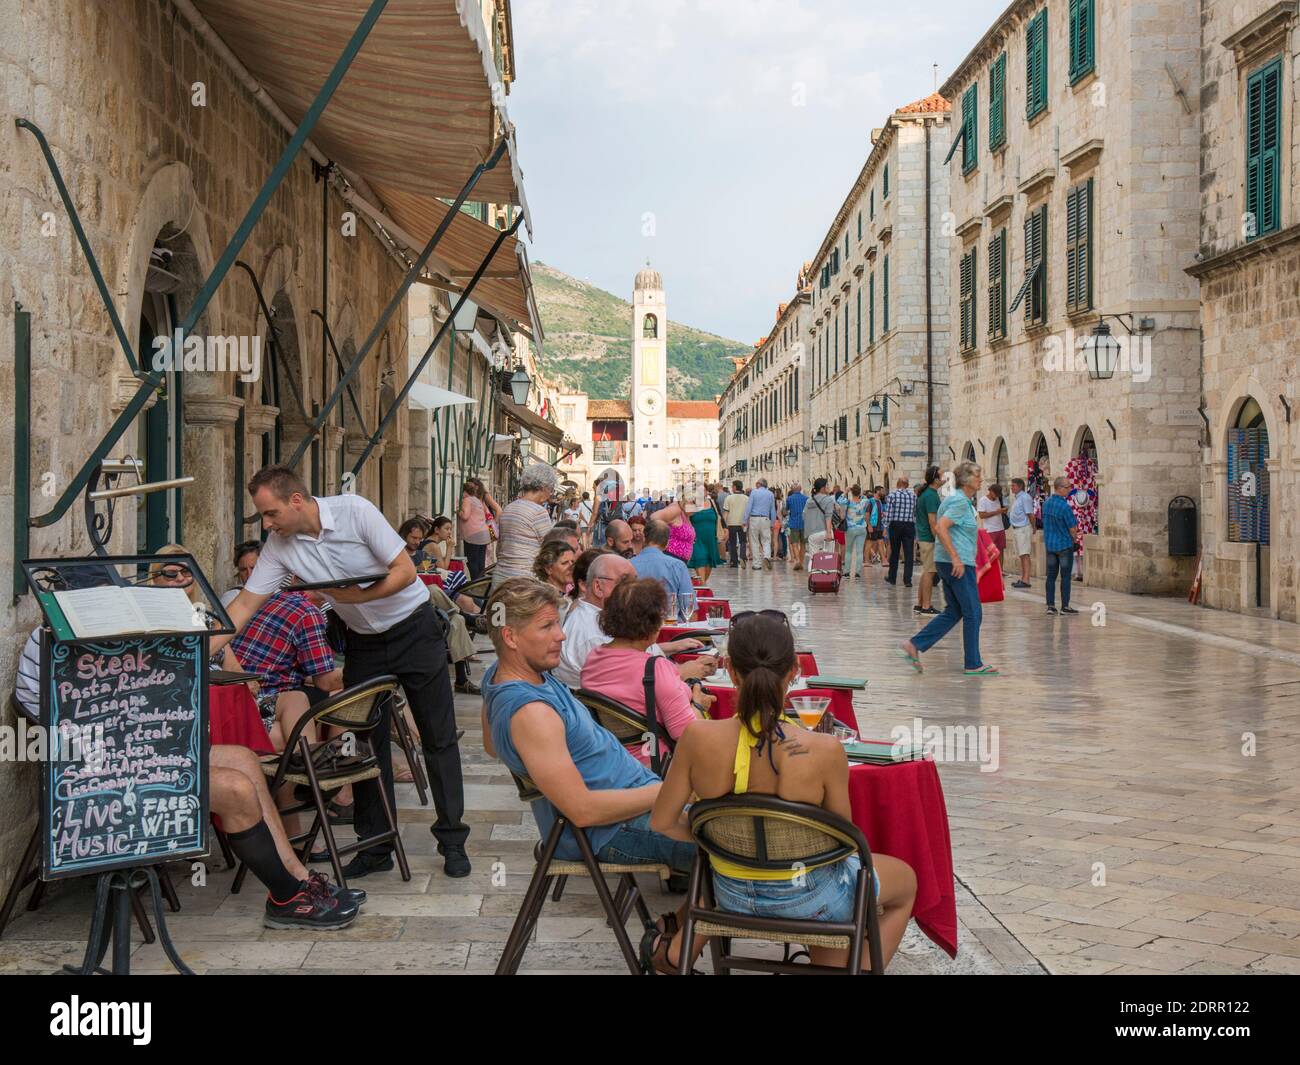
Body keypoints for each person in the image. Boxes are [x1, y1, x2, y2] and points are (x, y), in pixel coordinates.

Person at [13, 625, 362, 929]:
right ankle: (286, 899)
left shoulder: (90, 641)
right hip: (93, 773)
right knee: (236, 789)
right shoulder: (61, 646)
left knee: (242, 758)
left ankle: (299, 880)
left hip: (128, 752)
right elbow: (81, 730)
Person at [215, 464, 470, 879]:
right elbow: (244, 605)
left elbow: (405, 572)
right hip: (364, 642)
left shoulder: (355, 511)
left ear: (296, 501)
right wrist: (195, 646)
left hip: (414, 628)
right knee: (367, 742)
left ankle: (453, 840)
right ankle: (376, 846)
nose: (267, 523)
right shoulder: (279, 546)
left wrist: (350, 594)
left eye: (270, 513)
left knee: (437, 737)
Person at [649, 613, 917, 972]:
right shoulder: (825, 749)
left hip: (728, 894)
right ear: (794, 671)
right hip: (810, 897)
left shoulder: (698, 738)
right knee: (907, 881)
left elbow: (662, 821)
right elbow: (843, 840)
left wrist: (713, 838)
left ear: (730, 671)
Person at [480, 578, 702, 972]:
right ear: (511, 636)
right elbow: (582, 810)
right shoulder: (531, 713)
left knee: (739, 827)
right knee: (738, 845)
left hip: (627, 810)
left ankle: (676, 928)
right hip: (607, 831)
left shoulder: (504, 675)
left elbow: (492, 746)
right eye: (547, 626)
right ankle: (672, 952)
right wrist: (670, 792)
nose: (561, 635)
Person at [580, 578, 715, 767]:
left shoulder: (594, 658)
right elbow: (685, 732)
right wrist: (699, 705)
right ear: (652, 625)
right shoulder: (655, 668)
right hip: (654, 762)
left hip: (611, 757)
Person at [898, 461, 998, 676]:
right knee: (973, 612)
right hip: (957, 563)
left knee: (955, 611)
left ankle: (914, 645)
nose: (981, 480)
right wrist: (956, 558)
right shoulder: (960, 502)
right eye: (978, 476)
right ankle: (973, 663)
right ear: (967, 481)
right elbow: (940, 527)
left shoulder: (953, 499)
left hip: (947, 561)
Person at [555, 552, 710, 686]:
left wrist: (670, 647)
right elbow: (632, 682)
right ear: (598, 587)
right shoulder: (594, 633)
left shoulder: (597, 617)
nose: (633, 588)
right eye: (625, 581)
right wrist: (682, 671)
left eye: (635, 581)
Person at [492, 464, 558, 589]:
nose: (550, 495)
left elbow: (500, 549)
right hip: (524, 580)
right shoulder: (539, 512)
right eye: (551, 490)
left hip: (500, 578)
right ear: (544, 487)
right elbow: (550, 548)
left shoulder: (508, 508)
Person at [631, 520, 695, 620]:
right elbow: (689, 608)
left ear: (644, 539)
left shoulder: (628, 564)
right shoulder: (677, 566)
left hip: (636, 629)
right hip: (671, 628)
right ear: (667, 544)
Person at [1042, 476, 1082, 615]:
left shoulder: (1046, 504)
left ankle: (1050, 606)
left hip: (1050, 545)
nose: (1069, 489)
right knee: (1065, 576)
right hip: (1064, 545)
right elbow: (1072, 528)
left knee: (1051, 576)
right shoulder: (1065, 506)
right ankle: (1065, 606)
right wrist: (1074, 539)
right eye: (1067, 487)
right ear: (1059, 488)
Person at [914, 466, 943, 616]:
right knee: (930, 573)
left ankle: (920, 604)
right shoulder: (931, 495)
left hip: (924, 538)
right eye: (942, 475)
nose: (945, 477)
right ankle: (926, 605)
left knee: (926, 572)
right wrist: (939, 539)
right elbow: (933, 521)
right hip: (929, 539)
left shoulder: (925, 493)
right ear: (936, 479)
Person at [457, 478, 499, 580]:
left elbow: (465, 516)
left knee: (472, 562)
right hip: (484, 533)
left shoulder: (468, 500)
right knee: (480, 562)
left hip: (474, 534)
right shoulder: (478, 500)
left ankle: (475, 584)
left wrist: (458, 511)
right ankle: (481, 583)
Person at [883, 476, 917, 588]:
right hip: (909, 525)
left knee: (895, 552)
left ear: (898, 484)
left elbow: (889, 513)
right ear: (907, 485)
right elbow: (915, 512)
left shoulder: (892, 495)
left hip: (896, 525)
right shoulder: (913, 496)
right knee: (909, 553)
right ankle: (908, 580)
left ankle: (892, 578)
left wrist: (885, 526)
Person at [687, 486, 724, 583]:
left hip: (711, 538)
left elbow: (719, 516)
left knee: (708, 562)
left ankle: (702, 585)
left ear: (706, 492)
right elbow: (686, 520)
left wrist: (725, 528)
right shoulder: (691, 504)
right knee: (700, 559)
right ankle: (702, 585)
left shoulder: (712, 502)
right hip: (697, 538)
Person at [743, 477, 777, 571]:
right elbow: (772, 509)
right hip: (766, 519)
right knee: (766, 539)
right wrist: (772, 523)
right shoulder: (770, 494)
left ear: (759, 484)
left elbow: (748, 507)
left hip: (754, 518)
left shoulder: (754, 492)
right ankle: (766, 556)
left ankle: (757, 564)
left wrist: (745, 520)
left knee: (754, 541)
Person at [1007, 477, 1035, 588]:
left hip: (1023, 529)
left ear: (1019, 486)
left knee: (1025, 554)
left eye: (1013, 486)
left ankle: (1026, 579)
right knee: (1021, 554)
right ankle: (1023, 578)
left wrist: (1033, 527)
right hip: (1017, 529)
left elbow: (1030, 514)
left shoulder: (1025, 497)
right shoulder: (1017, 498)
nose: (1011, 488)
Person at [533, 539, 577, 604]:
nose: (572, 567)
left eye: (573, 562)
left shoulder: (572, 595)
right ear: (548, 569)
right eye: (565, 563)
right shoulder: (543, 600)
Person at [222, 539, 263, 607]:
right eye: (243, 570)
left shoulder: (278, 592)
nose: (249, 575)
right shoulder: (231, 598)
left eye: (254, 568)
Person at [842, 485, 870, 579]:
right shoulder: (864, 502)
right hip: (861, 529)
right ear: (859, 492)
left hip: (850, 528)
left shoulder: (848, 502)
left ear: (851, 492)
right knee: (859, 552)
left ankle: (846, 572)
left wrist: (846, 491)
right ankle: (858, 572)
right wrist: (860, 493)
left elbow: (839, 501)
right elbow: (866, 497)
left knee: (848, 551)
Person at [978, 484, 1007, 570]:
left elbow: (1000, 511)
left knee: (1001, 550)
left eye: (998, 494)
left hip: (1000, 528)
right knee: (990, 552)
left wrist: (1003, 511)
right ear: (990, 491)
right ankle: (990, 571)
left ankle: (1000, 570)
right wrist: (997, 512)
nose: (997, 496)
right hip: (990, 530)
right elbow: (981, 515)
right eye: (996, 494)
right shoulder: (983, 500)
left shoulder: (998, 499)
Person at [805, 477, 836, 554]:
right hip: (825, 531)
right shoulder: (828, 500)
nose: (828, 487)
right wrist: (828, 532)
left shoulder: (809, 501)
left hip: (812, 534)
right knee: (828, 558)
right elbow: (828, 516)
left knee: (813, 559)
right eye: (827, 485)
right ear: (823, 488)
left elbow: (804, 516)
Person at [723, 480, 748, 568]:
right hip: (743, 523)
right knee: (743, 541)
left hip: (731, 523)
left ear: (734, 487)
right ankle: (742, 557)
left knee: (732, 542)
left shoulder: (729, 498)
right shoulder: (746, 498)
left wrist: (724, 525)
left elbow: (726, 512)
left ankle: (734, 561)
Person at [784, 482, 808, 571]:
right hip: (804, 523)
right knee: (803, 544)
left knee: (794, 543)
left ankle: (797, 560)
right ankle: (801, 562)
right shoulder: (806, 498)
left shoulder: (789, 499)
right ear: (800, 489)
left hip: (793, 523)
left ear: (792, 490)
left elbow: (786, 510)